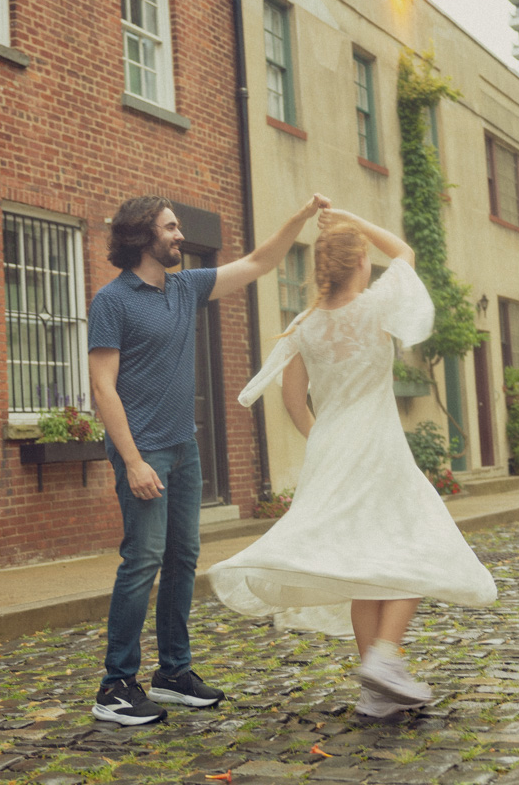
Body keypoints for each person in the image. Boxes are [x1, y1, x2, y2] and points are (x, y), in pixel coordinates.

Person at [209, 209, 496, 718]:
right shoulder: (376, 307)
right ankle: (384, 657)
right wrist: (352, 218)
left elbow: (294, 400)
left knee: (366, 564)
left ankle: (375, 691)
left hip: (332, 449)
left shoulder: (304, 327)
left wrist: (326, 440)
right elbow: (404, 252)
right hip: (379, 448)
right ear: (362, 261)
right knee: (419, 544)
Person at [88, 192, 329, 726]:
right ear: (143, 235)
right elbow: (103, 387)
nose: (180, 235)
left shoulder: (186, 287)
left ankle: (173, 672)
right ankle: (116, 685)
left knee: (182, 558)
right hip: (143, 451)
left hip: (183, 446)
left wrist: (301, 214)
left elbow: (260, 262)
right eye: (170, 227)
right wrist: (133, 461)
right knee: (143, 560)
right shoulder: (112, 301)